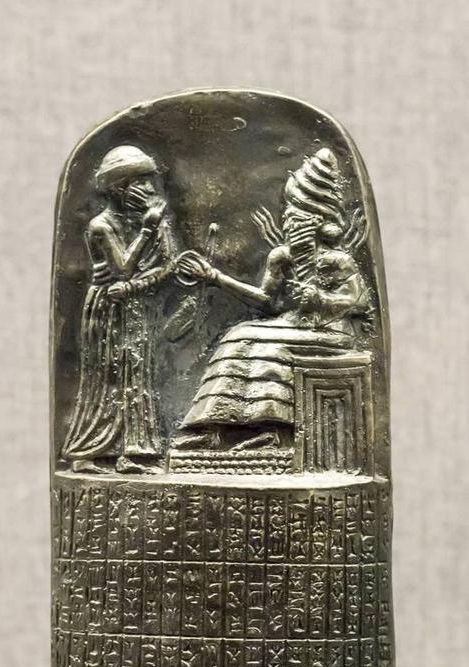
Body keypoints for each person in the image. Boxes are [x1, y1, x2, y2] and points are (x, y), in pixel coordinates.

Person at [173, 148, 369, 452]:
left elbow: (358, 302)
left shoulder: (337, 261)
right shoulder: (281, 257)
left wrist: (320, 299)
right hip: (292, 325)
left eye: (294, 216)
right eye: (287, 215)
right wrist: (216, 277)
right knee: (237, 336)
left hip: (331, 333)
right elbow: (266, 302)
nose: (287, 222)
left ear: (316, 222)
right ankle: (213, 428)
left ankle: (272, 430)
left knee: (270, 348)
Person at [62, 145, 175, 473]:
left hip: (137, 307)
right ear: (119, 188)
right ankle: (85, 453)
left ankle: (131, 454)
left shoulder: (153, 223)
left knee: (136, 378)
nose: (150, 189)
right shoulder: (102, 225)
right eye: (142, 182)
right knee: (107, 377)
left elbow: (168, 265)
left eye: (151, 181)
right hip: (108, 309)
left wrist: (136, 286)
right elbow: (123, 268)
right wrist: (147, 230)